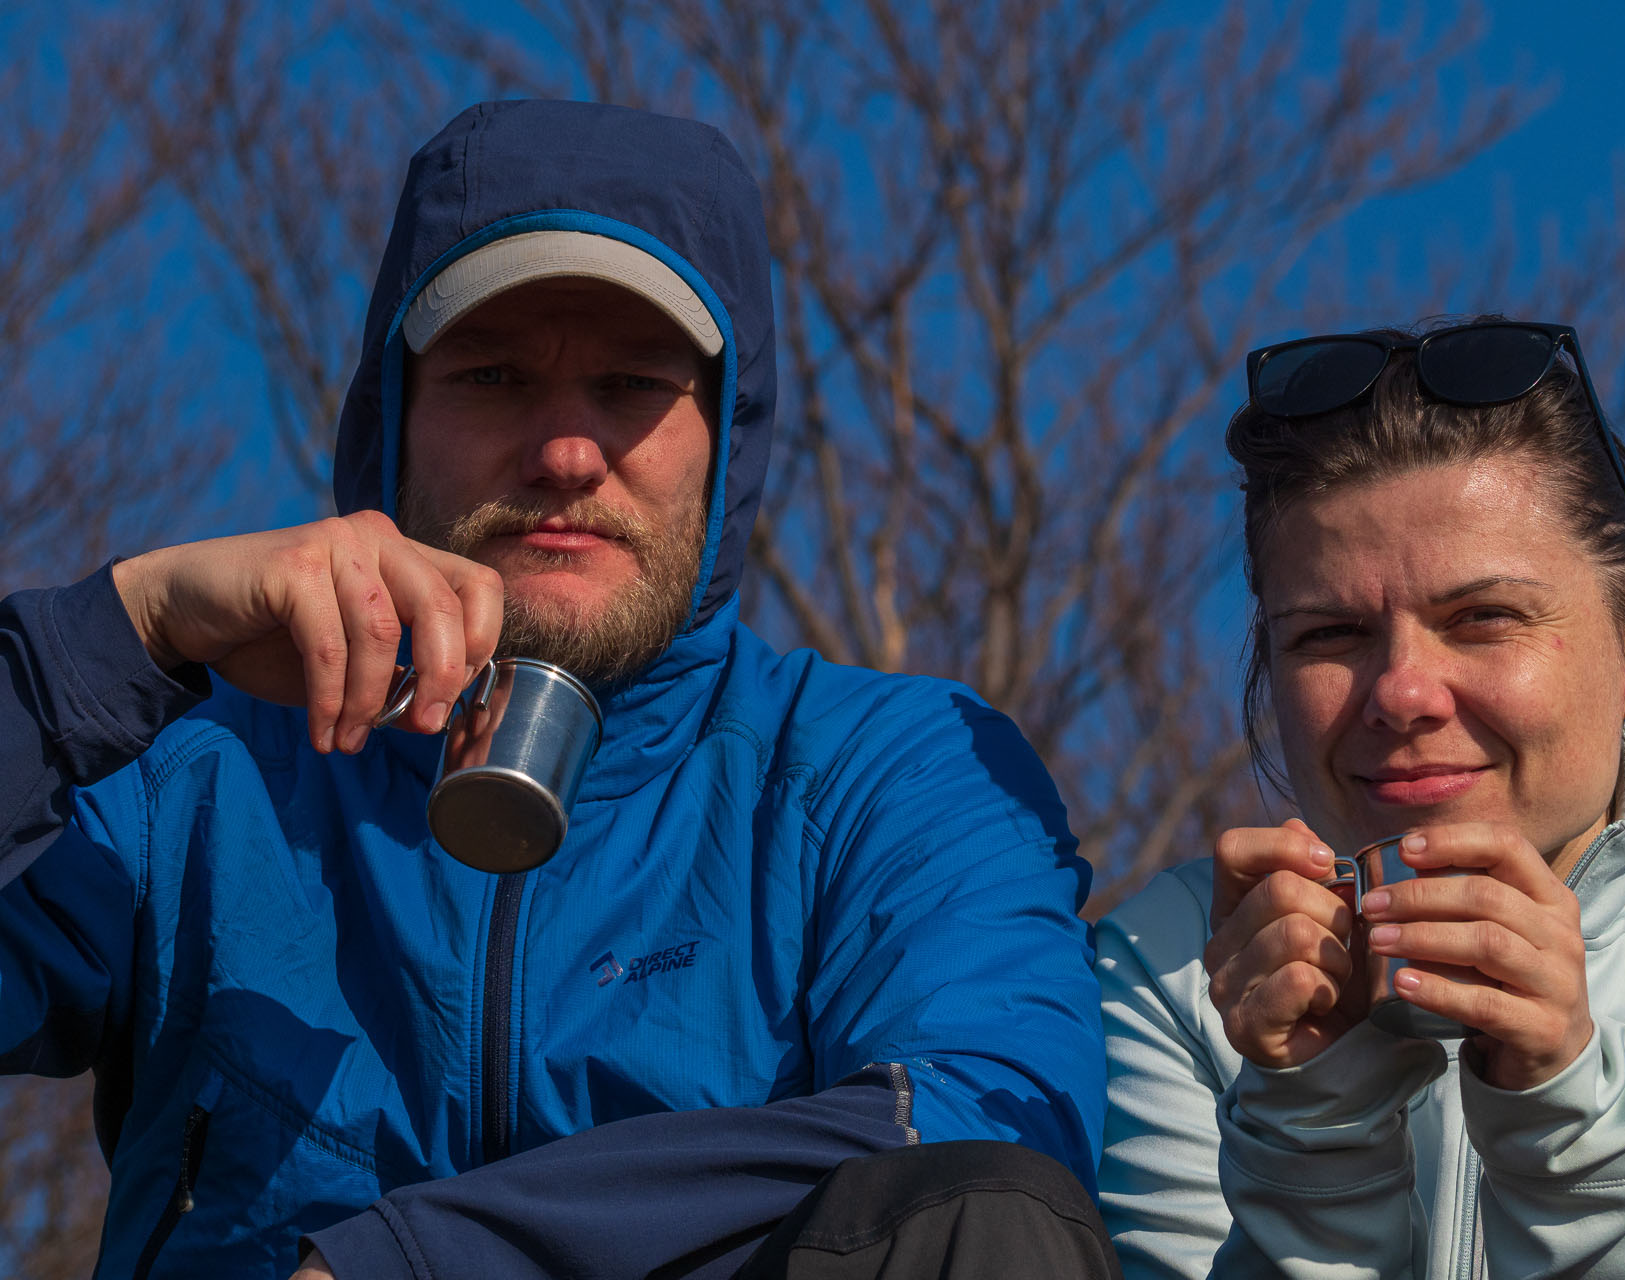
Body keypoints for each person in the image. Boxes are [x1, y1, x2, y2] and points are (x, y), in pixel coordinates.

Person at [0, 100, 1115, 1280]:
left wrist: (414, 1260)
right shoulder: (190, 770)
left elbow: (986, 1117)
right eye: (494, 375)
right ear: (396, 421)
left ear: (725, 441)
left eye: (633, 384)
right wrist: (125, 630)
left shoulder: (894, 770)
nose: (569, 453)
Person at [1094, 319, 1625, 1277]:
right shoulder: (1170, 965)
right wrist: (1311, 1113)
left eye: (1483, 618)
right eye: (1329, 635)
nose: (1401, 692)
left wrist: (1566, 1120)